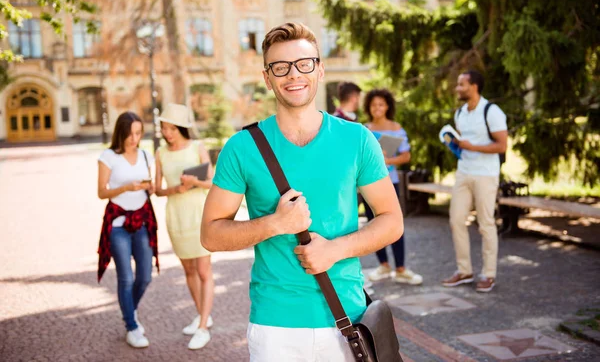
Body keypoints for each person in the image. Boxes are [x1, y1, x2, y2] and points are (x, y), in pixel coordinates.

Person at [201, 22, 403, 361]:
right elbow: (210, 234)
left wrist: (335, 250)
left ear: (320, 69)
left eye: (304, 63)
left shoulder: (357, 139)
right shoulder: (241, 148)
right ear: (268, 78)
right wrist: (273, 224)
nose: (293, 74)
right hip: (275, 326)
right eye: (280, 67)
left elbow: (392, 220)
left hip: (347, 317)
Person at [154, 103, 215, 350]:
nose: (167, 133)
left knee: (203, 272)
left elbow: (212, 182)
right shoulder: (160, 153)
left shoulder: (197, 148)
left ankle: (202, 328)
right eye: (164, 128)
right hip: (176, 216)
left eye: (170, 128)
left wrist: (194, 182)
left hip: (198, 215)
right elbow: (157, 189)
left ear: (180, 127)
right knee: (189, 271)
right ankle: (203, 315)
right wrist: (175, 189)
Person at [97, 111, 158, 349]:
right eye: (131, 133)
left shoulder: (145, 155)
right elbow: (101, 192)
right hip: (119, 225)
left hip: (142, 222)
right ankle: (132, 326)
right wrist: (125, 188)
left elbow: (149, 184)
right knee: (126, 278)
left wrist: (149, 188)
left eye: (138, 133)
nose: (135, 138)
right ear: (121, 132)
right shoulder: (108, 156)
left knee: (144, 277)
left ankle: (128, 313)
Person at [442, 70, 507, 293]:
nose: (457, 88)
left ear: (474, 86)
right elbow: (463, 142)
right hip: (464, 172)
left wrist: (472, 147)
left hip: (486, 174)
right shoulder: (460, 113)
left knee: (486, 224)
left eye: (461, 85)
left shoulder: (491, 111)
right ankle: (465, 270)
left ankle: (488, 274)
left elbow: (502, 145)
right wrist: (455, 145)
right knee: (456, 220)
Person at [362, 88, 423, 285]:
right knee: (373, 225)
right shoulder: (364, 129)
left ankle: (401, 268)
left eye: (381, 104)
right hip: (367, 184)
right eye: (373, 105)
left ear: (387, 106)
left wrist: (389, 160)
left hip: (390, 182)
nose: (377, 108)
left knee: (395, 223)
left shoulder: (396, 129)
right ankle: (383, 265)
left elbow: (406, 156)